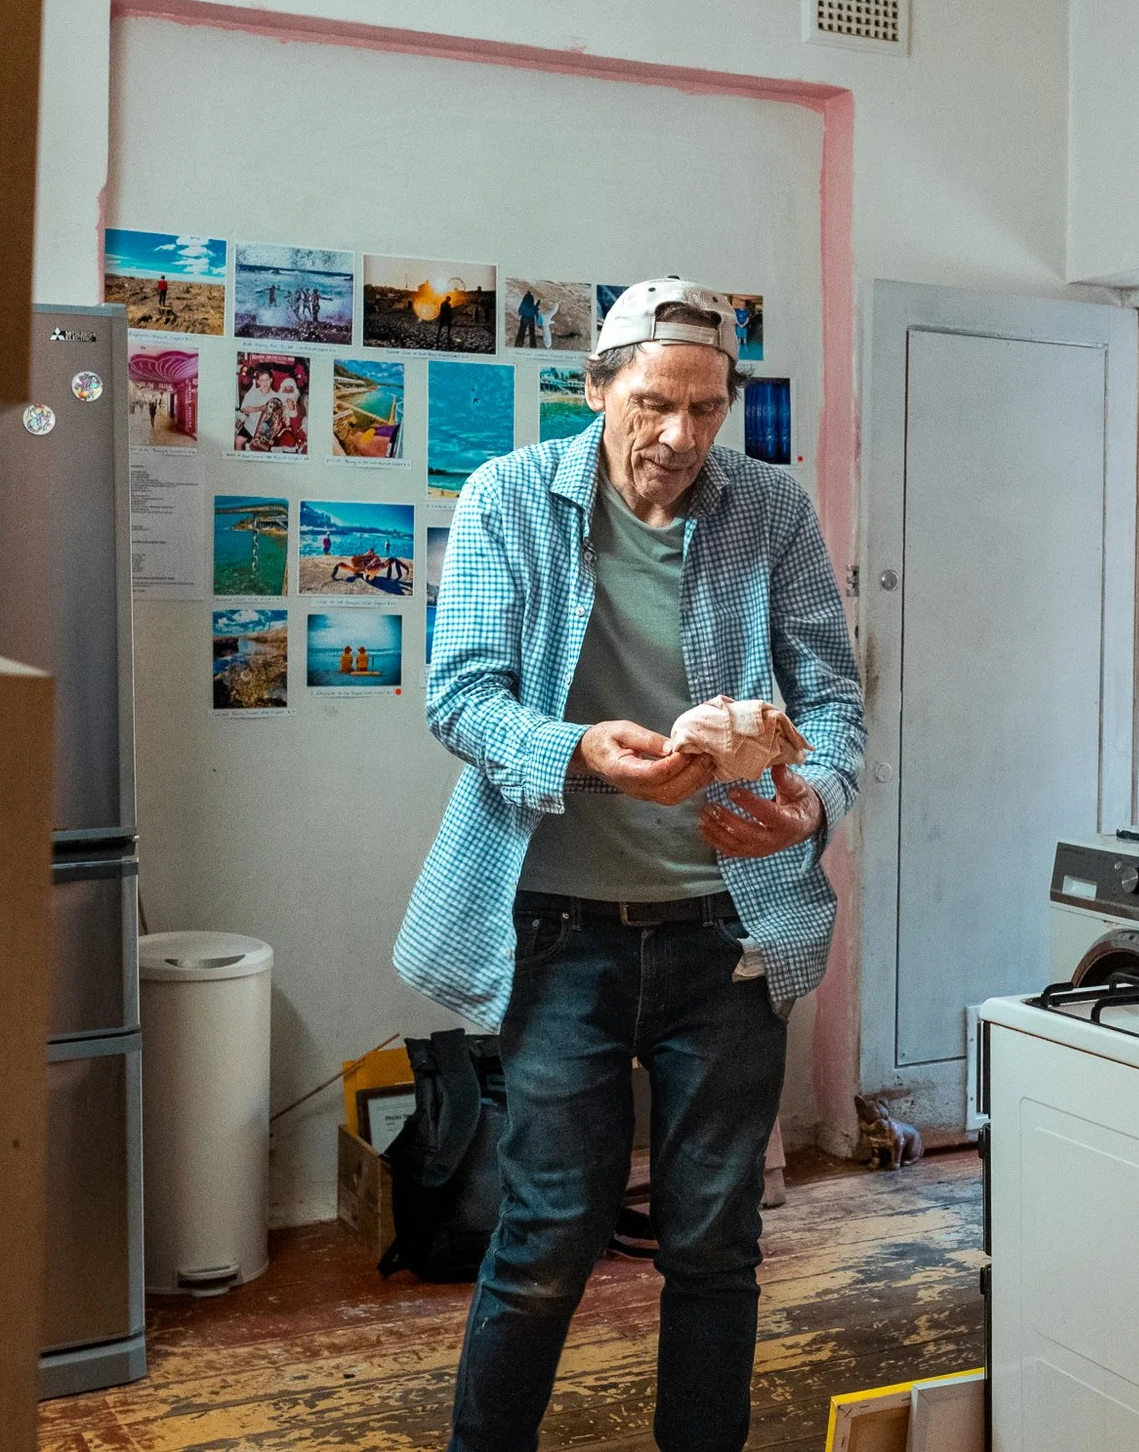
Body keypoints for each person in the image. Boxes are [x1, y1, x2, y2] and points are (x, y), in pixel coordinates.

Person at [396, 279, 862, 1452]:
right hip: (558, 925)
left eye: (707, 411)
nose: (679, 437)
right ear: (595, 388)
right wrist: (581, 754)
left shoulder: (772, 508)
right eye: (653, 404)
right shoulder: (512, 494)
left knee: (717, 1236)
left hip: (730, 933)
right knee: (548, 1229)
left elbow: (833, 699)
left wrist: (809, 802)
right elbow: (460, 696)